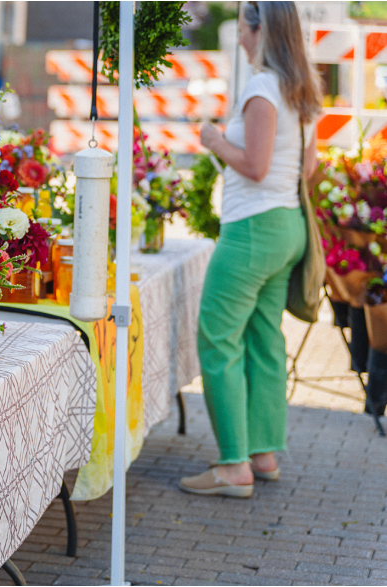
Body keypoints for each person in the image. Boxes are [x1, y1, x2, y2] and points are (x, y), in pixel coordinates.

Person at [180, 0, 321, 498]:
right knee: (265, 341)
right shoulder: (301, 90)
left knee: (218, 339)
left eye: (241, 24)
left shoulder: (262, 88)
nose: (237, 33)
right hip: (286, 226)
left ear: (259, 29)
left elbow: (255, 165)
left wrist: (215, 140)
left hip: (251, 230)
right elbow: (305, 169)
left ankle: (233, 465)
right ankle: (263, 453)